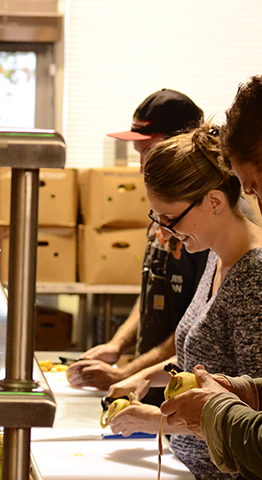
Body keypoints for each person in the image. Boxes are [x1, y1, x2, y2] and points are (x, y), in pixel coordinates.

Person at [105, 124, 262, 479]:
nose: (164, 230)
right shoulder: (218, 256)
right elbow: (206, 355)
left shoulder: (259, 275)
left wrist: (157, 420)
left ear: (214, 202)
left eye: (171, 218)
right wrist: (143, 377)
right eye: (158, 218)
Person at [160, 73, 262, 480]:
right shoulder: (216, 261)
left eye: (255, 185)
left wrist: (213, 410)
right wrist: (248, 388)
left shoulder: (261, 273)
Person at [67, 89, 208, 400]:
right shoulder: (164, 212)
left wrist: (125, 374)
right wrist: (116, 346)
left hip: (182, 399)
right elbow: (151, 295)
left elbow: (195, 330)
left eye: (151, 152)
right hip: (147, 392)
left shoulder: (202, 224)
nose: (142, 167)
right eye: (140, 154)